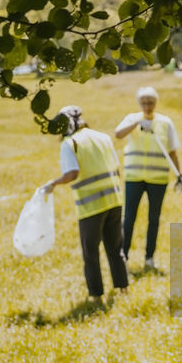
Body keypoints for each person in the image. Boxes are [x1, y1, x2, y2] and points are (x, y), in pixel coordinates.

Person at [41, 105, 128, 303]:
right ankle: (123, 289)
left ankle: (96, 296)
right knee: (116, 248)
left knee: (91, 254)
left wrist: (53, 183)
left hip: (91, 207)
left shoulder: (70, 143)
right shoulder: (102, 137)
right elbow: (116, 167)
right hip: (114, 199)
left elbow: (72, 173)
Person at [114, 86, 182, 273]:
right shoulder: (132, 119)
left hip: (157, 179)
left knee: (154, 219)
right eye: (143, 103)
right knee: (129, 218)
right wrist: (137, 123)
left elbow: (172, 151)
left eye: (150, 102)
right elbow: (118, 134)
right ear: (139, 103)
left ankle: (149, 258)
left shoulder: (165, 123)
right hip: (134, 177)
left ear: (156, 103)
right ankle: (124, 256)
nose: (147, 106)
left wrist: (179, 174)